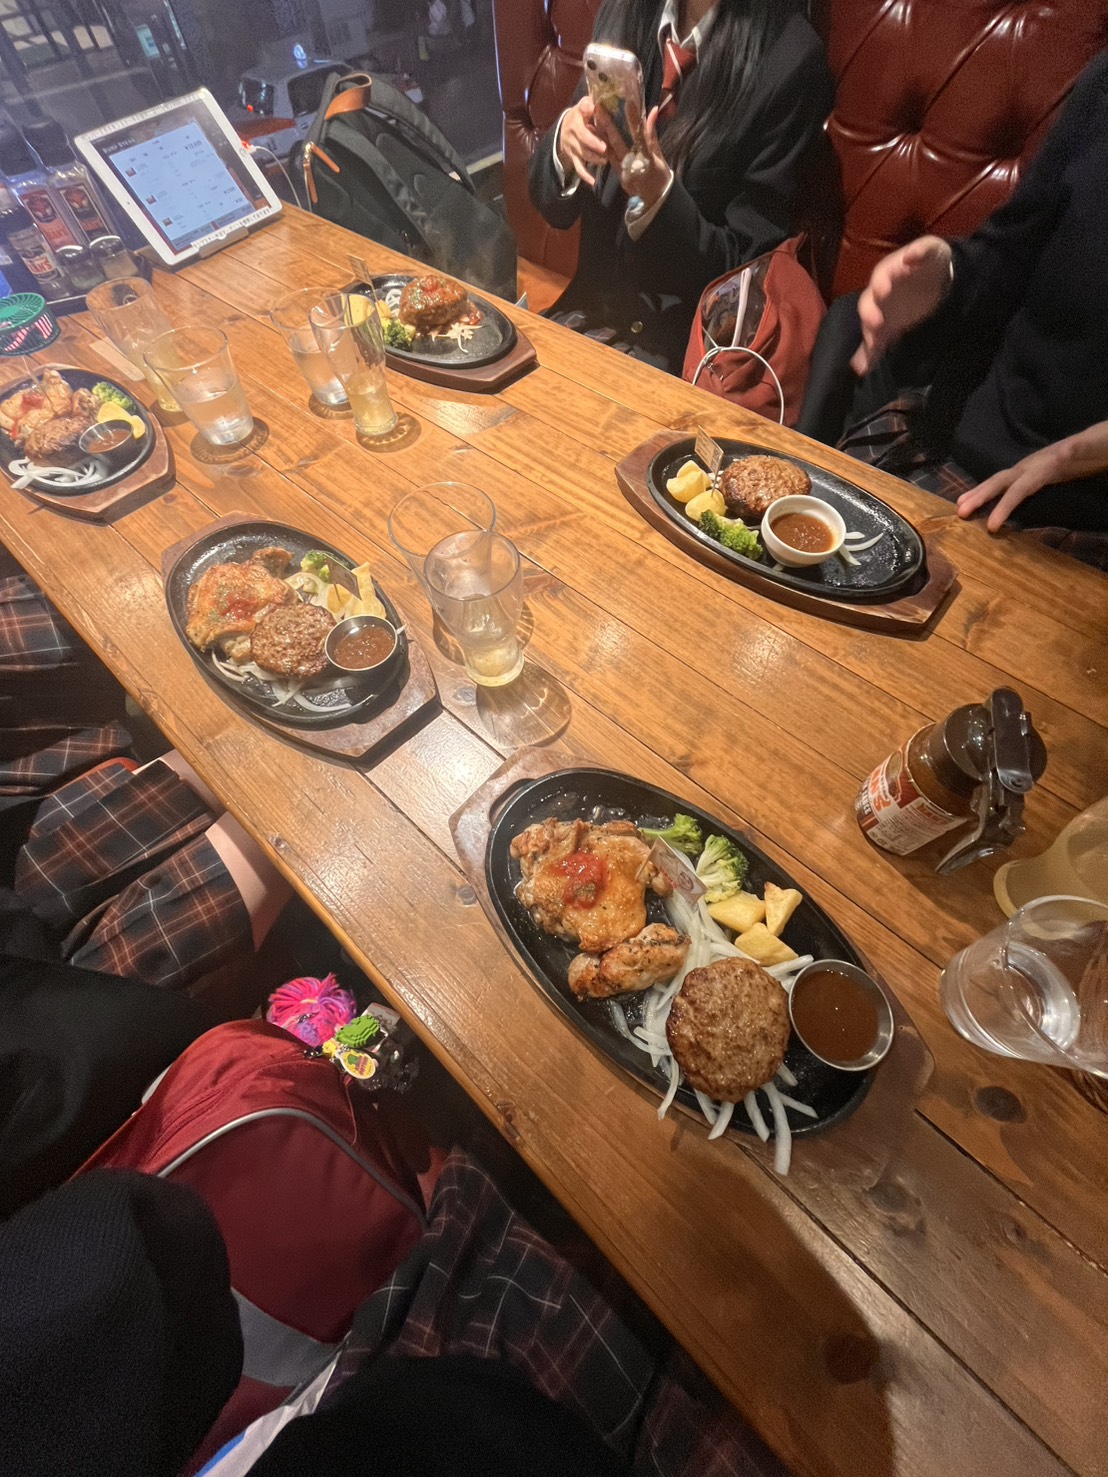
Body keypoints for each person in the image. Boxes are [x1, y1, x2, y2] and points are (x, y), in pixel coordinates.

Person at [797, 49, 1108, 567]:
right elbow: (1012, 248)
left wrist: (1082, 453)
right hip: (967, 439)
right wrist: (945, 275)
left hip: (1085, 514)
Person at [529, 0, 832, 374]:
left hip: (682, 357)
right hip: (583, 320)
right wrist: (565, 143)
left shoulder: (790, 59)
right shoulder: (627, 10)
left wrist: (660, 197)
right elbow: (554, 208)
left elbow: (749, 274)